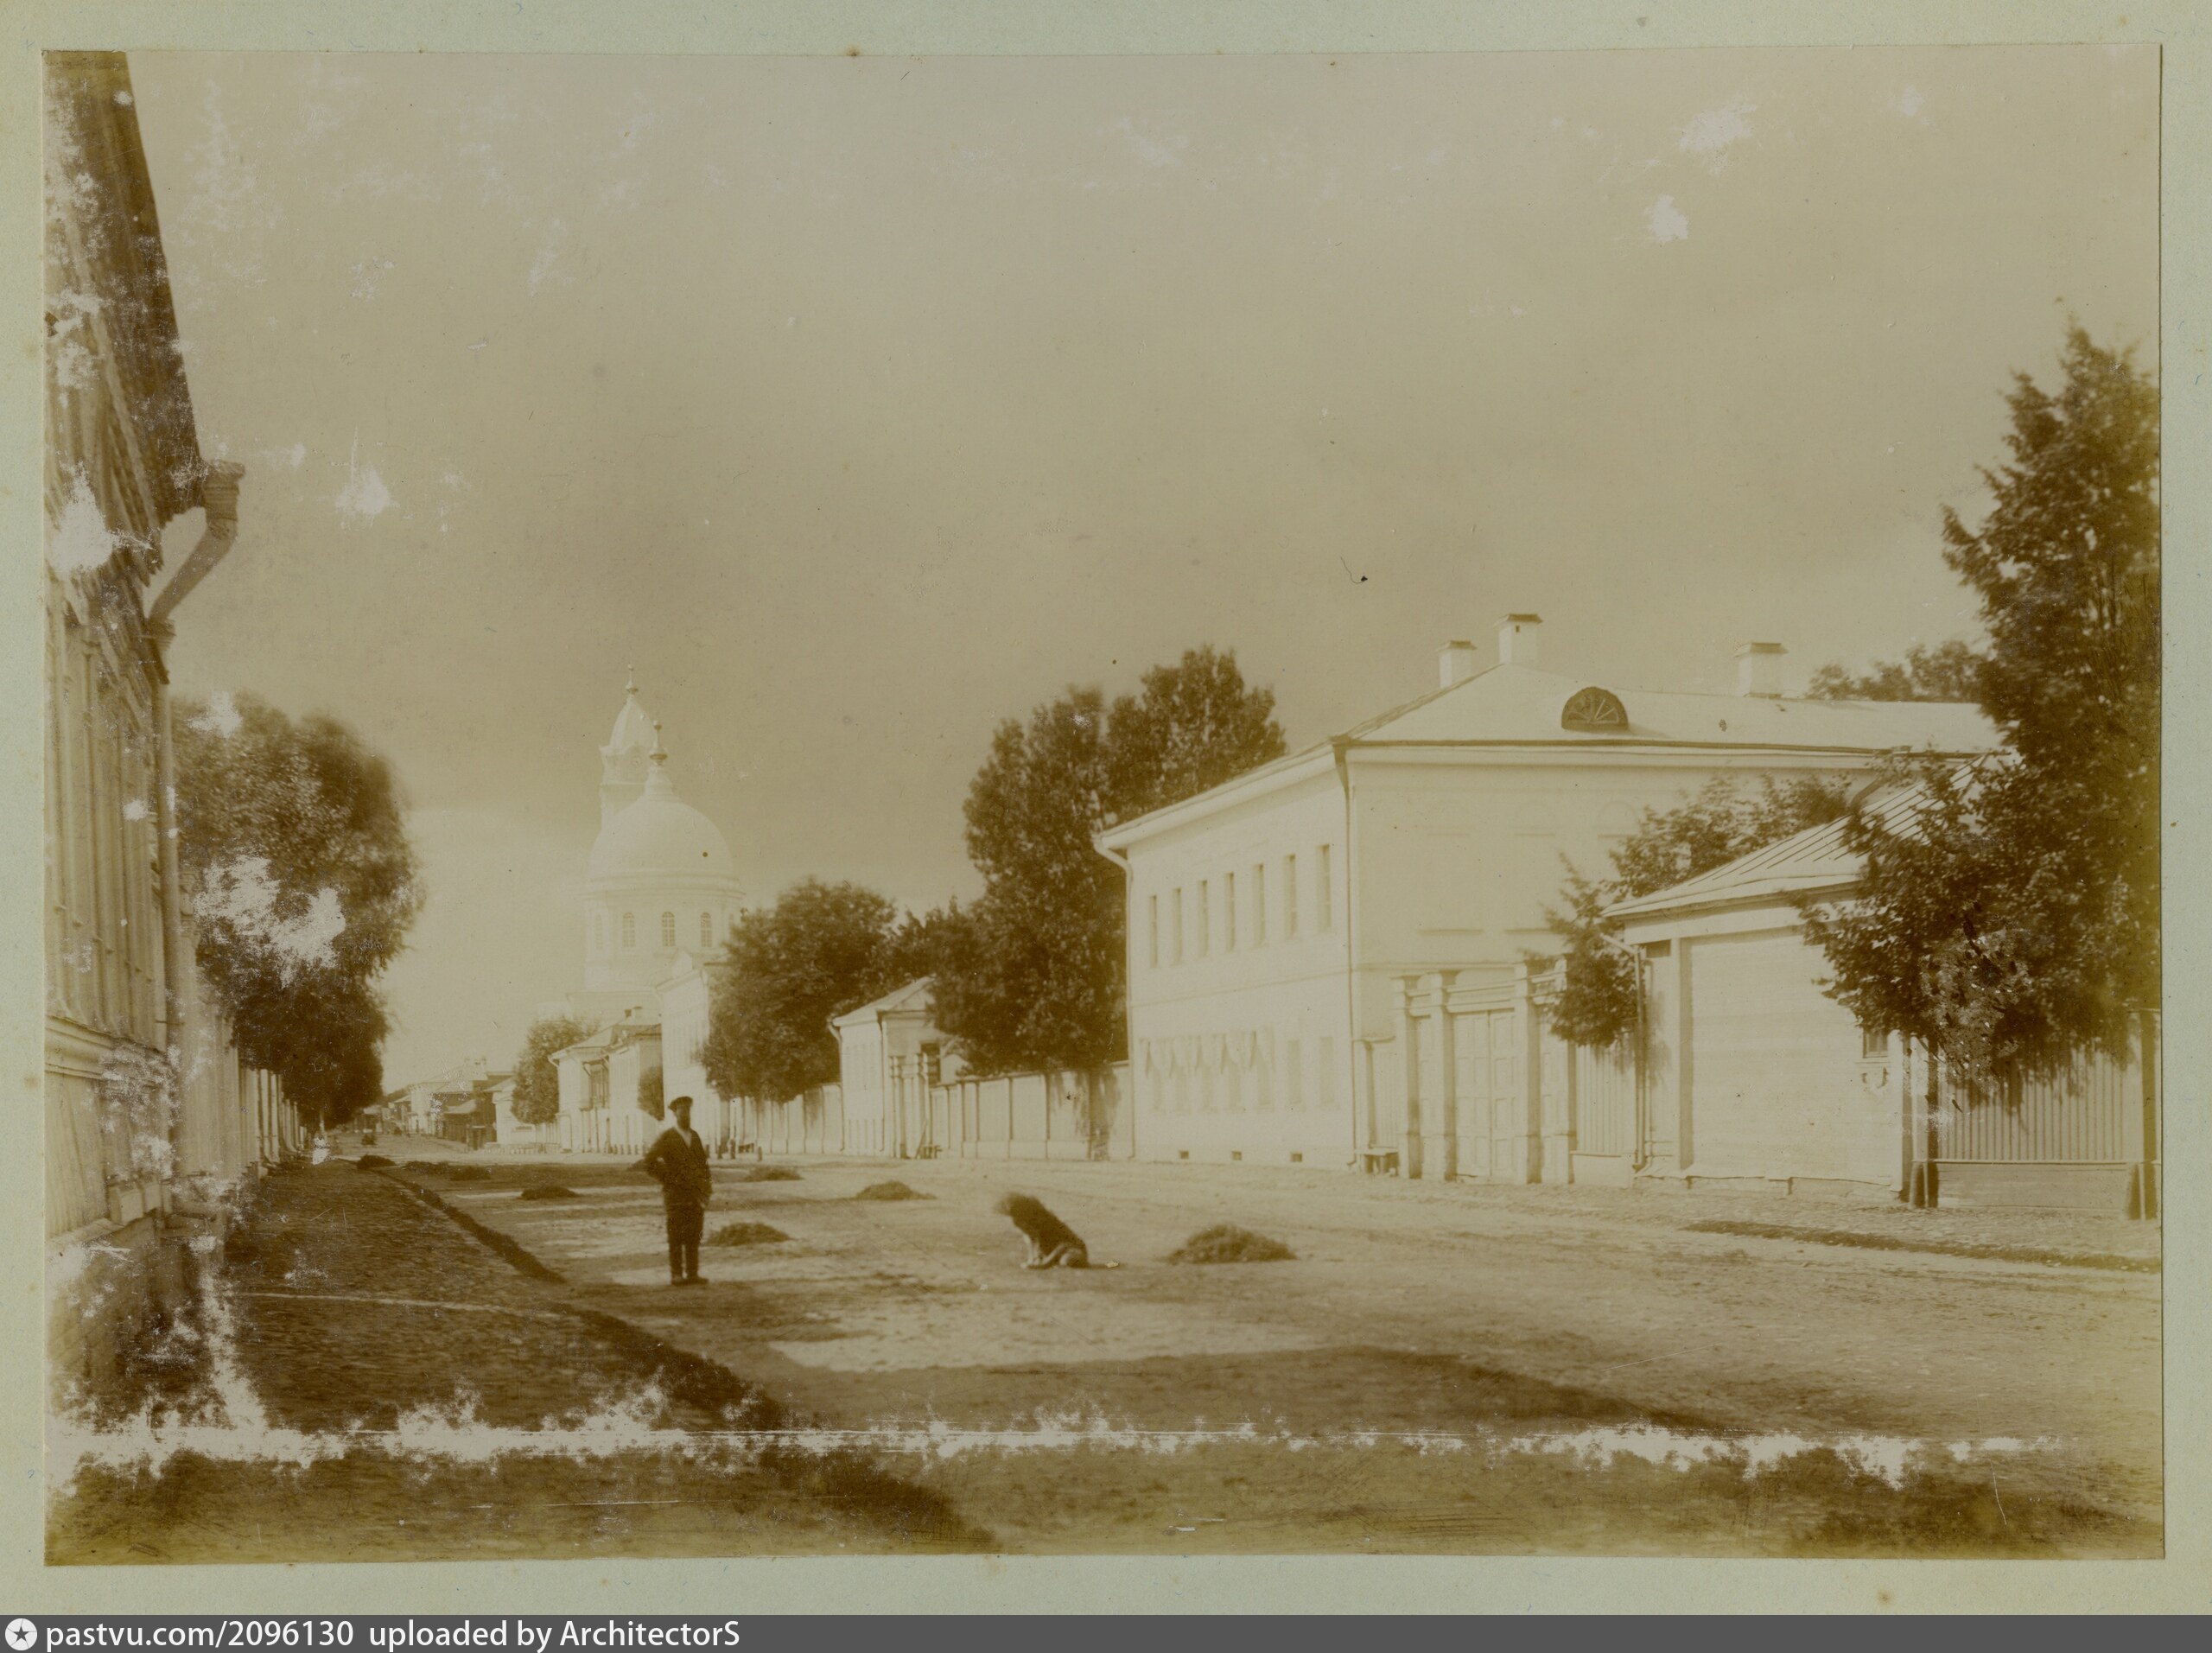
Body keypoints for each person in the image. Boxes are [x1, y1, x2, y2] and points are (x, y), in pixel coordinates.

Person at [635, 1094, 713, 1286]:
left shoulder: (695, 1136)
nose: (685, 1114)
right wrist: (668, 1177)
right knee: (676, 1235)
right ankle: (676, 1274)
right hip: (675, 1195)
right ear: (675, 1113)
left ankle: (693, 1274)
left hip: (694, 1195)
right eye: (681, 1110)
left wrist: (706, 1190)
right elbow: (649, 1162)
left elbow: (704, 1166)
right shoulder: (668, 1137)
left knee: (694, 1234)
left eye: (688, 1110)